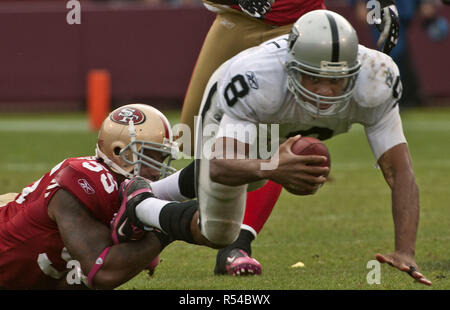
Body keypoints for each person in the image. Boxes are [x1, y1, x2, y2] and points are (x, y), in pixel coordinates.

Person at [124, 10, 431, 285]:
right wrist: (273, 167)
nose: (325, 91)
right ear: (292, 68)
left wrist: (405, 251)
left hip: (278, 121)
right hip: (231, 112)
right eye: (314, 78)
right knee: (217, 233)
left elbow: (400, 172)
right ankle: (142, 206)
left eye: (335, 80)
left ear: (354, 73)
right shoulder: (258, 81)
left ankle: (148, 192)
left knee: (255, 176)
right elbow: (220, 164)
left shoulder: (377, 80)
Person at [178, 0, 401, 276]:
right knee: (192, 138)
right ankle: (146, 204)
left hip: (301, 26)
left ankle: (238, 244)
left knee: (277, 132)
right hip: (236, 17)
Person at [0, 104, 182, 289]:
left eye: (161, 159)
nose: (157, 172)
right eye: (150, 157)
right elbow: (102, 271)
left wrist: (139, 249)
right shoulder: (86, 182)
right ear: (120, 150)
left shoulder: (110, 187)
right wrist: (167, 227)